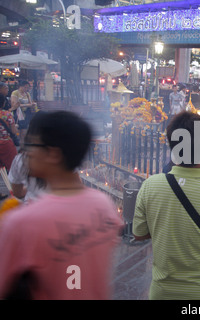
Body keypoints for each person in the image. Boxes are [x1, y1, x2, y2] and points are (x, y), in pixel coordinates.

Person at [0, 111, 122, 300]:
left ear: (53, 154)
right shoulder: (103, 206)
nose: (28, 151)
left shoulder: (22, 223)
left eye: (33, 144)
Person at [132, 111, 200, 300]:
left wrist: (166, 227)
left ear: (171, 145)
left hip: (162, 293)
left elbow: (139, 233)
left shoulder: (150, 186)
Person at [0, 95, 18, 171]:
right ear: (3, 103)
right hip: (6, 144)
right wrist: (16, 127)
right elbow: (13, 131)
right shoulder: (7, 114)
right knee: (13, 168)